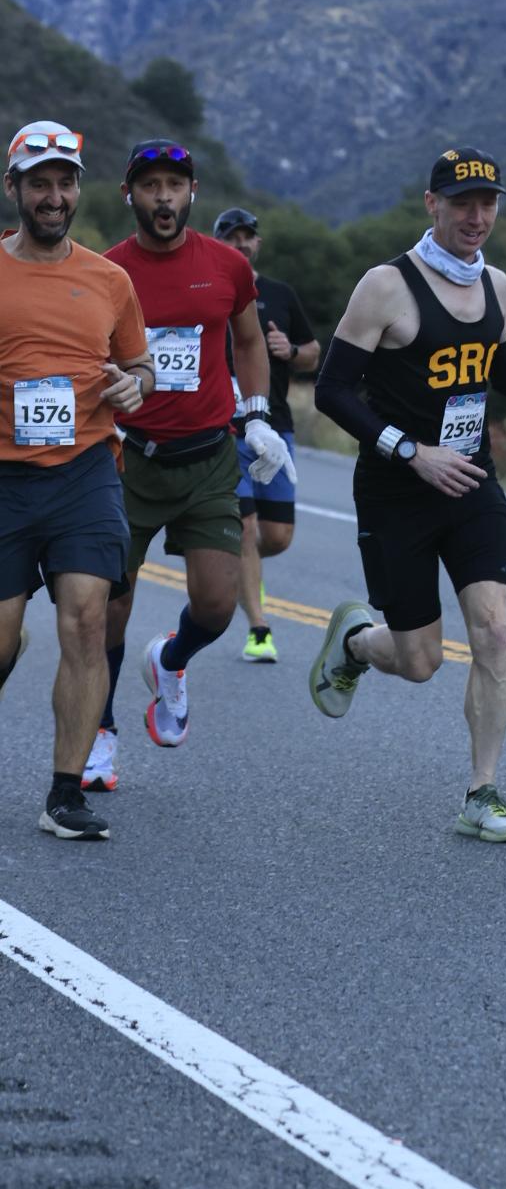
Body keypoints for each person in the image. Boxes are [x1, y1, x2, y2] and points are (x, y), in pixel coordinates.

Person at [308, 145, 506, 843]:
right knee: (420, 661)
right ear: (432, 204)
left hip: (470, 483)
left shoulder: (497, 286)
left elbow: (503, 371)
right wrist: (411, 451)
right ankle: (357, 643)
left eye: (487, 203)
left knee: (496, 631)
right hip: (396, 491)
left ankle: (481, 793)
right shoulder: (386, 286)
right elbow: (332, 391)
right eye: (462, 203)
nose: (477, 216)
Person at [90, 142, 290, 787]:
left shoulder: (228, 265)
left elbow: (249, 340)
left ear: (192, 192)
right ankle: (100, 732)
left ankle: (171, 661)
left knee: (216, 606)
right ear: (129, 195)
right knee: (107, 606)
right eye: (150, 185)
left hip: (208, 456)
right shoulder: (107, 271)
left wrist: (256, 416)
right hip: (129, 457)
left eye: (174, 184)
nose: (163, 197)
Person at [0, 123, 153, 838]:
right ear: (15, 190)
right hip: (4, 476)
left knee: (89, 619)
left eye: (64, 183)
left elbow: (141, 366)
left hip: (86, 470)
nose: (54, 196)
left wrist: (134, 385)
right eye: (40, 184)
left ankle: (65, 794)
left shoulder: (109, 280)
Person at [213, 205, 321, 663]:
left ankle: (236, 566)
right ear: (218, 242)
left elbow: (313, 352)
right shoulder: (207, 290)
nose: (240, 244)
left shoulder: (279, 294)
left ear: (257, 243)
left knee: (276, 536)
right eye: (231, 237)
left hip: (275, 428)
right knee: (245, 527)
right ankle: (259, 630)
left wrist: (290, 349)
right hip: (225, 430)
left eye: (247, 237)